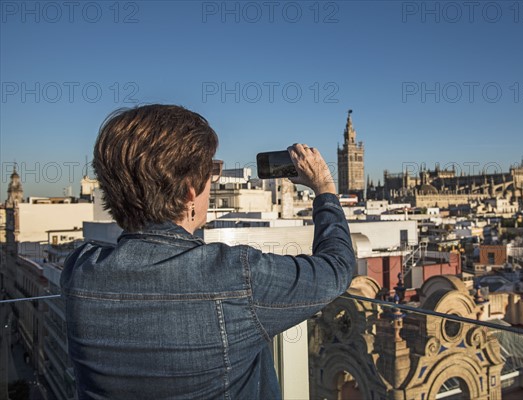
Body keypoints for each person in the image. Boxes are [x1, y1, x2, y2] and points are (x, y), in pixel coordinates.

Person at [60, 104, 355, 399]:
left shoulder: (80, 271)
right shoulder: (235, 276)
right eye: (211, 172)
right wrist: (325, 188)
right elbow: (336, 268)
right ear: (190, 192)